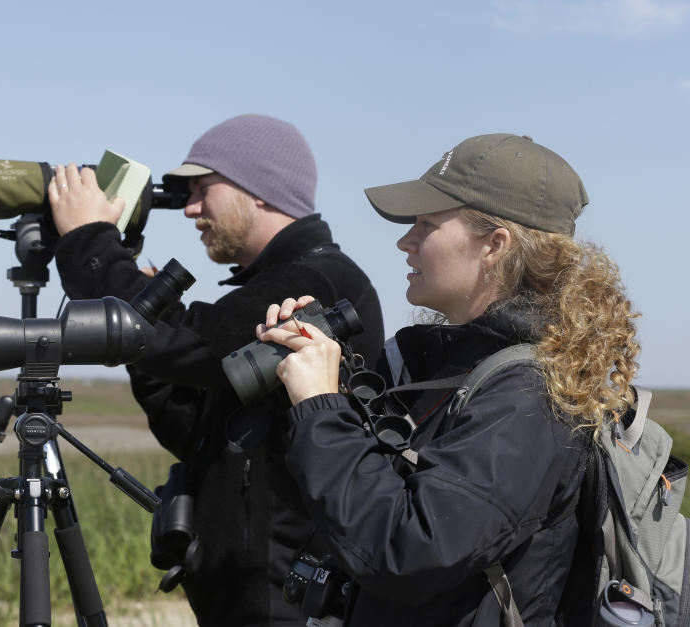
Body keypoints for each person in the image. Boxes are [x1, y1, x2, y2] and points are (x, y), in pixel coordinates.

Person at [258, 133, 640, 625]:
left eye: (426, 224)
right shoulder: (454, 369)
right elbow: (348, 508)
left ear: (495, 245)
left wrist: (320, 408)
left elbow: (409, 548)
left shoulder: (533, 397)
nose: (404, 241)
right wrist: (300, 389)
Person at [47, 113, 386, 626]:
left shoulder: (312, 283)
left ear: (262, 190)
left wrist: (90, 240)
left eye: (204, 189)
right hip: (258, 596)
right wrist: (147, 340)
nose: (190, 209)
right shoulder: (275, 284)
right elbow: (195, 428)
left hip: (288, 603)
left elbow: (186, 343)